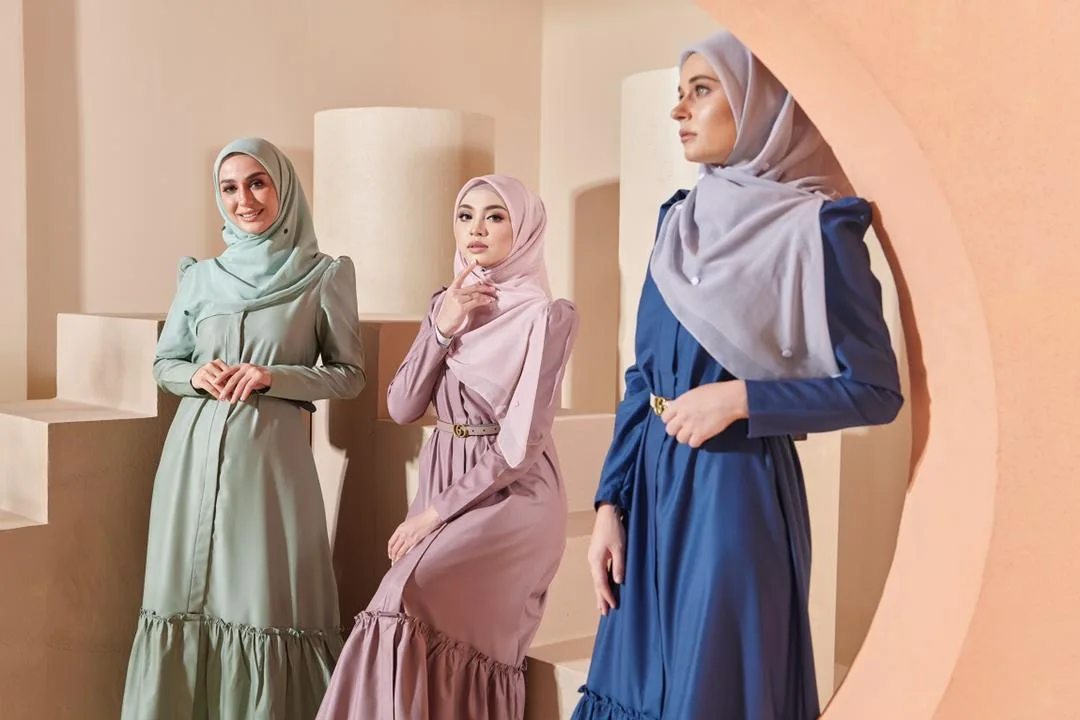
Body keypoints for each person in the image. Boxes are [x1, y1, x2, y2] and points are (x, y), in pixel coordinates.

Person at [572, 31, 904, 720]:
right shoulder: (677, 223)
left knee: (712, 693)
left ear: (760, 106)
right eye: (679, 93)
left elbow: (875, 391)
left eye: (701, 90)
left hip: (734, 496)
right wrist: (608, 505)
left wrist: (743, 398)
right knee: (634, 689)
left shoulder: (818, 228)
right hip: (649, 486)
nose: (680, 110)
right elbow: (643, 379)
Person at [121, 137, 366, 719]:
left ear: (284, 188)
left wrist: (272, 376)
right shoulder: (199, 277)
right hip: (190, 460)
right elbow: (165, 363)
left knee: (263, 604)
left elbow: (349, 375)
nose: (244, 199)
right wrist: (194, 374)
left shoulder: (322, 275)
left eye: (258, 182)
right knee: (183, 598)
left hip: (269, 467)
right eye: (229, 188)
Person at [317, 174, 578, 719]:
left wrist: (433, 514)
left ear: (524, 229)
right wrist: (442, 328)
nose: (476, 228)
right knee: (400, 597)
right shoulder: (447, 302)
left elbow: (521, 444)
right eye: (465, 215)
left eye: (495, 216)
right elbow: (403, 405)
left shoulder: (546, 316)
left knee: (411, 591)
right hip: (445, 473)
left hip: (511, 495)